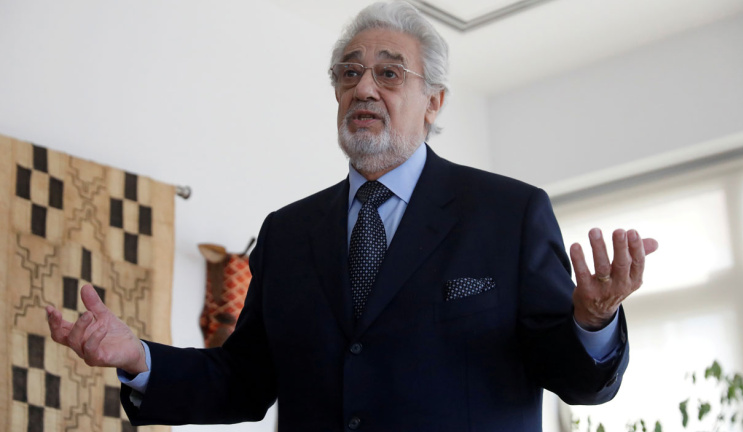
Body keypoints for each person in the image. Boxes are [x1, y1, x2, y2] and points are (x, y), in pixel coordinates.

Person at [46, 2, 658, 431]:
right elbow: (243, 380)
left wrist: (593, 319)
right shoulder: (287, 234)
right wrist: (138, 358)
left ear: (434, 102)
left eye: (389, 73)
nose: (364, 88)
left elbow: (575, 379)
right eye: (349, 73)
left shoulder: (509, 213)